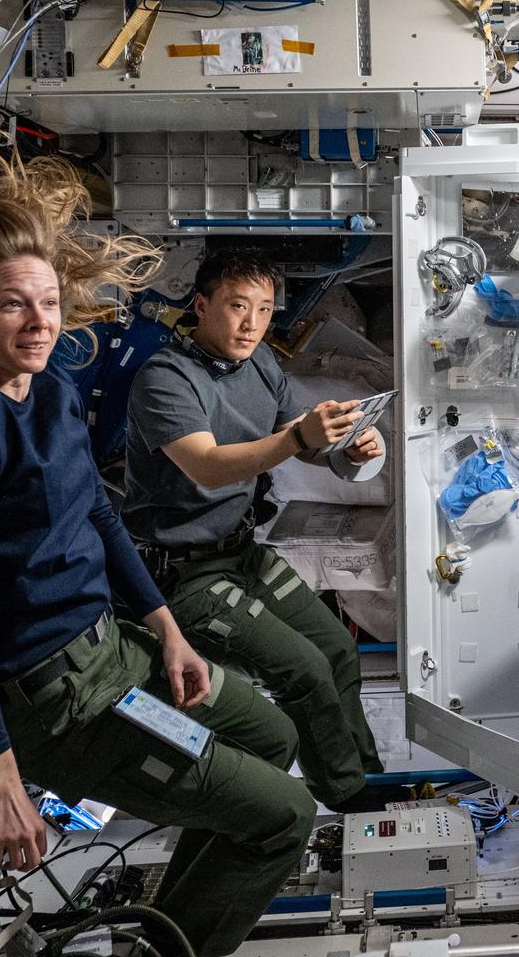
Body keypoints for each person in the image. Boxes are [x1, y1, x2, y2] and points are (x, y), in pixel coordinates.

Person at [0, 158, 314, 957]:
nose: (39, 323)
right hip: (54, 703)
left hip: (115, 653)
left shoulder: (49, 388)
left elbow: (98, 517)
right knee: (285, 817)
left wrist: (168, 628)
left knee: (273, 739)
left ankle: (158, 936)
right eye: (12, 305)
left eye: (47, 303)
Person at [123, 248, 393, 813]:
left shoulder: (261, 366)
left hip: (244, 552)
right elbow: (209, 465)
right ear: (201, 305)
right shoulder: (165, 379)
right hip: (183, 575)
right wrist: (300, 440)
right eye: (237, 306)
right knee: (305, 671)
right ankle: (347, 798)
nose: (251, 324)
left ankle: (369, 775)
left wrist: (346, 450)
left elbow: (294, 436)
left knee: (336, 652)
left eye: (265, 310)